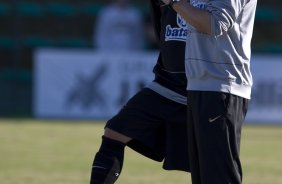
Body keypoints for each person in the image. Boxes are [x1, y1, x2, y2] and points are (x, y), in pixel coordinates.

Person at [90, 0, 191, 183]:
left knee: (208, 162)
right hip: (166, 84)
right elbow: (161, 35)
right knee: (115, 131)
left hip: (205, 89)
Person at [160, 0, 257, 183]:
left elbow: (214, 23)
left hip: (221, 87)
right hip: (200, 86)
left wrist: (174, 2)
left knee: (219, 178)